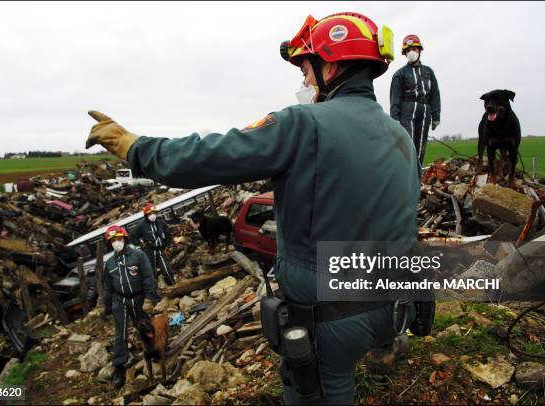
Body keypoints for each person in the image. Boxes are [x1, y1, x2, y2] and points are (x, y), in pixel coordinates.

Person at [86, 12, 419, 404]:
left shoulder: (304, 123)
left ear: (331, 64)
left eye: (306, 70)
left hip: (330, 317)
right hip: (392, 307)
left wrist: (136, 147)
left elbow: (212, 155)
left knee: (322, 388)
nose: (306, 82)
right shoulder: (402, 136)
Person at [102, 225, 158, 389]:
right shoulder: (110, 263)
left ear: (125, 239)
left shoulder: (138, 255)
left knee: (145, 327)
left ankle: (154, 352)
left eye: (119, 239)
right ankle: (119, 366)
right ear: (109, 243)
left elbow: (149, 277)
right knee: (120, 334)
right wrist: (106, 305)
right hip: (121, 300)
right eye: (113, 240)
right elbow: (108, 286)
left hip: (140, 297)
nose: (116, 242)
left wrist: (149, 298)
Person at [390, 34, 441, 165]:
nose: (411, 52)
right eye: (407, 50)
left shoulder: (429, 72)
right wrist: (395, 118)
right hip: (407, 109)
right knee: (408, 144)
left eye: (414, 49)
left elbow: (435, 94)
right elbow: (395, 98)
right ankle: (407, 175)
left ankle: (417, 178)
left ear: (419, 50)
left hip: (425, 110)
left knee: (420, 146)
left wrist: (436, 115)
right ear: (404, 53)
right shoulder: (399, 74)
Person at [131, 203, 176, 286]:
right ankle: (154, 293)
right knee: (152, 273)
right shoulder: (141, 225)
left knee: (167, 270)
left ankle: (173, 286)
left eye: (154, 213)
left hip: (160, 250)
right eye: (150, 214)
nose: (153, 215)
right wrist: (140, 244)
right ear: (146, 215)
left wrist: (168, 246)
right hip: (149, 252)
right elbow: (132, 236)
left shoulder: (161, 222)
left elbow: (168, 235)